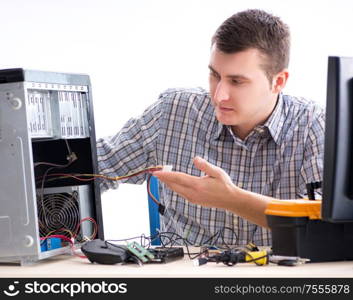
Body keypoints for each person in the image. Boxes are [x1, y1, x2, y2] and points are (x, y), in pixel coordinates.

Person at [97, 9, 324, 247]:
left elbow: (326, 225)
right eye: (215, 75)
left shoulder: (312, 124)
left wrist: (233, 199)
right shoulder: (173, 111)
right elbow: (94, 169)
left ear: (278, 81)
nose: (219, 95)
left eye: (236, 81)